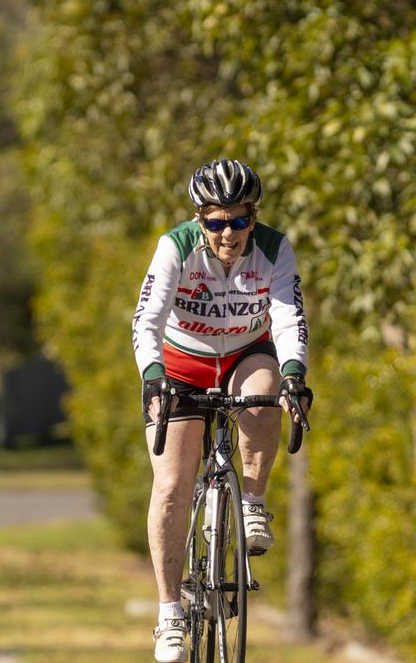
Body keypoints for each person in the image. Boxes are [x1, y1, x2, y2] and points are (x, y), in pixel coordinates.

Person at [132, 158, 312, 663]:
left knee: (266, 390)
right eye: (215, 221)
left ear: (253, 218)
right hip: (181, 364)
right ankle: (169, 613)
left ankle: (251, 502)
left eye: (238, 220)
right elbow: (146, 320)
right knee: (171, 484)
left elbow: (287, 315)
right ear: (200, 221)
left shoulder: (274, 249)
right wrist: (154, 378)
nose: (227, 232)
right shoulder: (176, 247)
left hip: (243, 354)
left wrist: (295, 373)